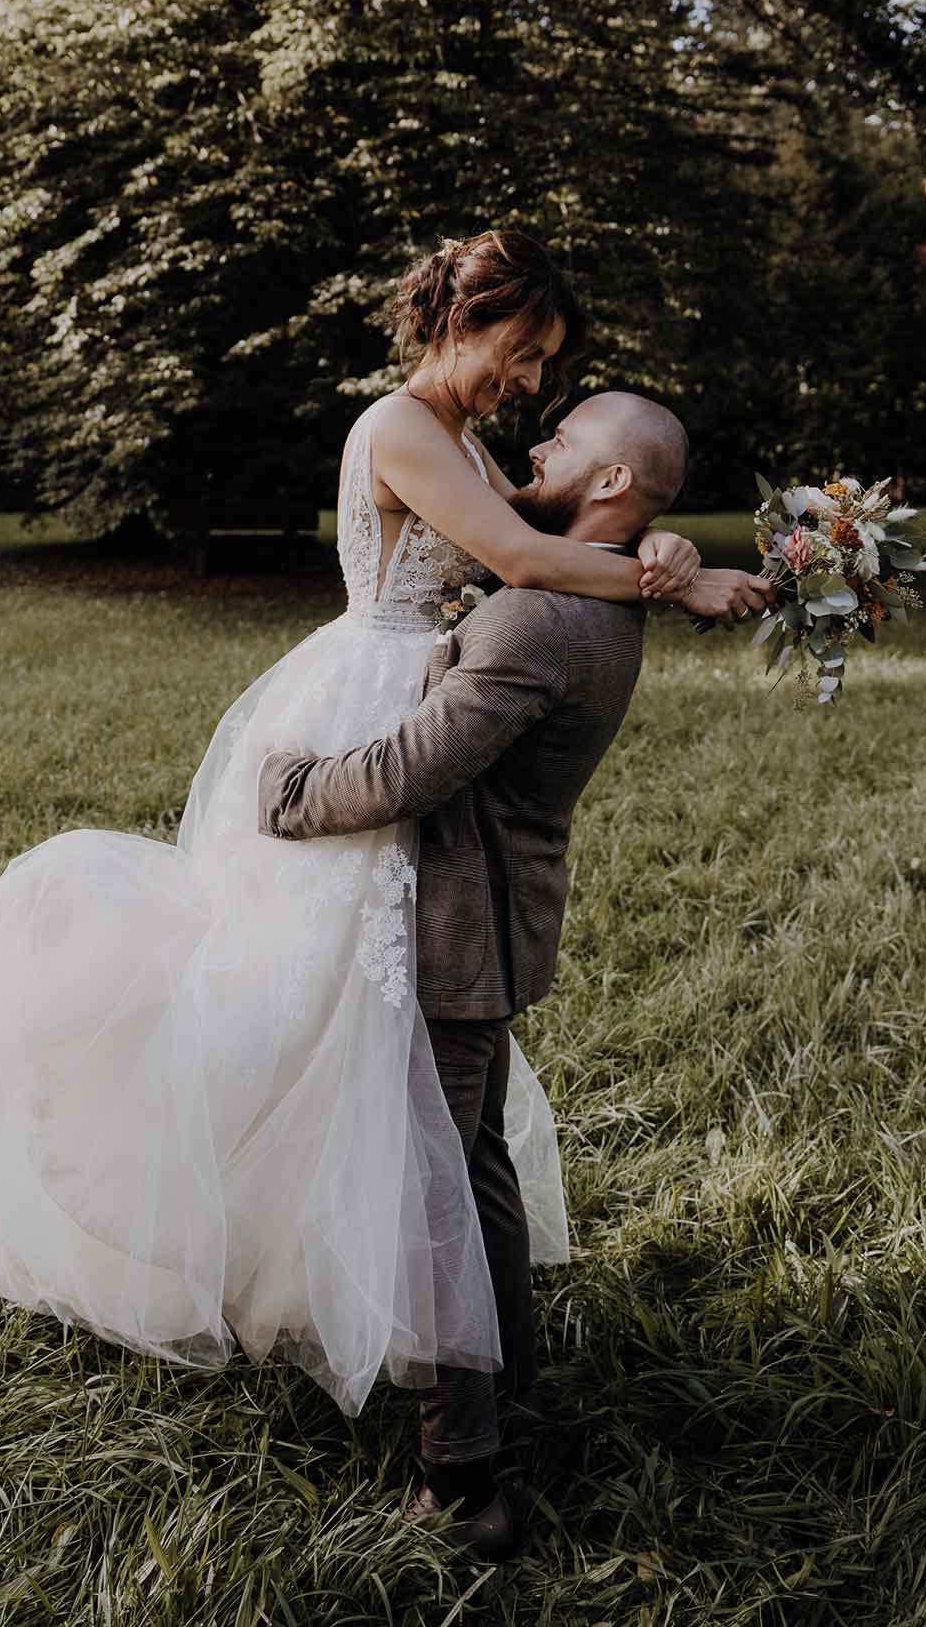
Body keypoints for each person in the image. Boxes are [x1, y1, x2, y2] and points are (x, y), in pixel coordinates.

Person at [0, 229, 761, 1428]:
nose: (532, 382)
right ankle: (216, 1208)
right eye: (526, 351)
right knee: (290, 1004)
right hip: (366, 702)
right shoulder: (398, 424)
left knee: (364, 1026)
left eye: (548, 368)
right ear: (462, 319)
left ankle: (405, 1301)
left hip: (427, 696)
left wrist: (657, 540)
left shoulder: (470, 441)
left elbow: (559, 531)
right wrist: (677, 578)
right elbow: (514, 557)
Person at [257, 387, 772, 1556]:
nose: (533, 441)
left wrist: (284, 791)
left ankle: (465, 1476)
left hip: (449, 928)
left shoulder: (536, 626)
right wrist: (664, 559)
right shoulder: (583, 593)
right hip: (495, 921)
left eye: (564, 437)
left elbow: (400, 774)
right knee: (473, 1162)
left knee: (427, 1192)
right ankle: (510, 1369)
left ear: (603, 485)